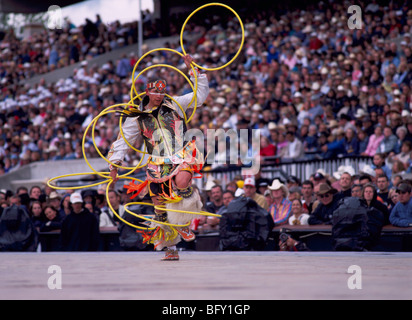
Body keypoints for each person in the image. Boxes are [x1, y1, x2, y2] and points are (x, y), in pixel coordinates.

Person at [107, 54, 209, 261]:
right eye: (155, 92)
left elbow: (200, 96)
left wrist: (194, 71)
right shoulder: (136, 115)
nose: (159, 96)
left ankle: (183, 224)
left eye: (162, 92)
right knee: (160, 206)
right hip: (157, 160)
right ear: (147, 92)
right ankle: (170, 249)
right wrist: (114, 166)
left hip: (182, 153)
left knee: (182, 182)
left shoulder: (175, 103)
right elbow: (123, 140)